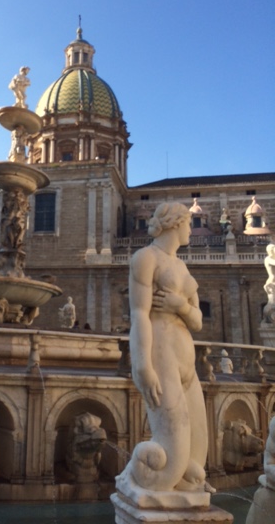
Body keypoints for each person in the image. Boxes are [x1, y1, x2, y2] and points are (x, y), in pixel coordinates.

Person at [119, 202, 208, 494]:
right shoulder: (145, 258)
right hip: (161, 356)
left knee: (197, 458)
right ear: (175, 224)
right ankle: (135, 480)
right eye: (188, 224)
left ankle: (181, 493)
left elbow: (197, 321)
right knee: (170, 463)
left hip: (187, 363)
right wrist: (142, 364)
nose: (191, 231)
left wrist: (178, 304)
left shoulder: (182, 266)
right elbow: (139, 314)